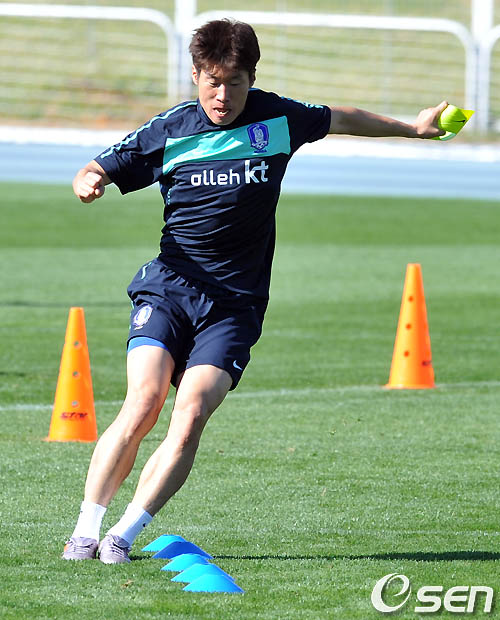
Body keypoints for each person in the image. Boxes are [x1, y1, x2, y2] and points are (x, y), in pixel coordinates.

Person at [63, 18, 447, 563]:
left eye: (235, 83)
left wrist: (412, 128)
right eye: (212, 82)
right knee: (144, 401)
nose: (222, 96)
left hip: (235, 305)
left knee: (190, 416)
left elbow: (341, 117)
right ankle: (85, 531)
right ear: (195, 76)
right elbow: (100, 165)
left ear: (252, 78)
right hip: (170, 289)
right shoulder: (171, 129)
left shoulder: (279, 119)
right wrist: (88, 179)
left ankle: (122, 536)